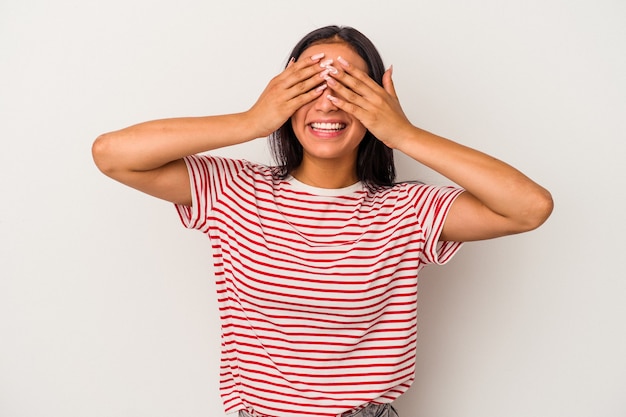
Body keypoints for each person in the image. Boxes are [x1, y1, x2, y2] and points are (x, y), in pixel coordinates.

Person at [92, 25, 553, 417]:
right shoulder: (233, 190)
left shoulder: (408, 210)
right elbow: (112, 155)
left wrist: (403, 133)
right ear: (283, 95)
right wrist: (253, 120)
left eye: (348, 87)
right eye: (310, 85)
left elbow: (529, 207)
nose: (328, 104)